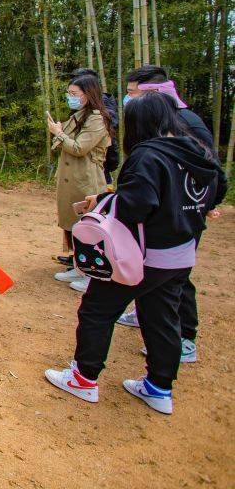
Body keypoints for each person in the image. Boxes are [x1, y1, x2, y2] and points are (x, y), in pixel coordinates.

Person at [44, 92, 226, 414]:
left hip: (142, 257)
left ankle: (83, 379)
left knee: (97, 310)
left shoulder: (149, 156)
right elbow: (218, 186)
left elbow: (135, 207)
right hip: (181, 254)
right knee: (161, 317)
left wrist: (105, 202)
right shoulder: (197, 151)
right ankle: (159, 388)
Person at [116, 65, 221, 362]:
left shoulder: (186, 123)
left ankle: (186, 337)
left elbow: (211, 170)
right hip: (161, 212)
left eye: (132, 93)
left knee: (176, 277)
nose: (129, 99)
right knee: (154, 273)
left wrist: (207, 204)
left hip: (180, 214)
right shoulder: (159, 126)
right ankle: (144, 314)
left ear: (153, 93)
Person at [48, 73, 113, 291]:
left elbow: (79, 148)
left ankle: (93, 273)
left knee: (89, 226)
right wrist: (59, 133)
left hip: (86, 181)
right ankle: (79, 266)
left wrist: (58, 133)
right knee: (74, 225)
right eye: (69, 94)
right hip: (70, 179)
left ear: (88, 95)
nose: (70, 97)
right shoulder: (79, 115)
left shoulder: (97, 118)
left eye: (74, 94)